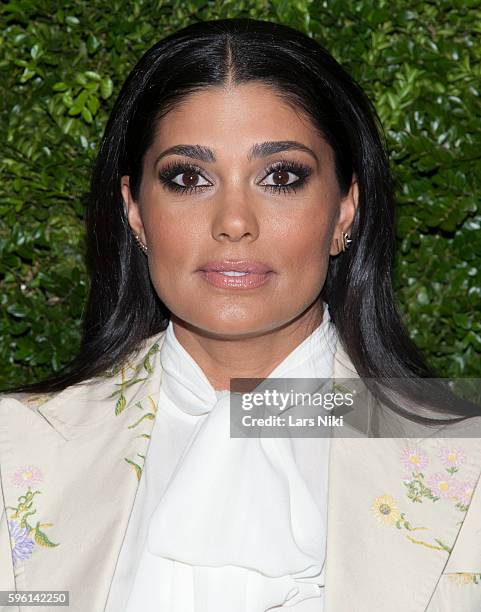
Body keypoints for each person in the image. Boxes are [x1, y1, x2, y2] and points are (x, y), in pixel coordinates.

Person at [1, 17, 480, 612]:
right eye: (188, 177)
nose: (234, 221)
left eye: (281, 177)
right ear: (135, 211)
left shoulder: (468, 472)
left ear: (345, 210)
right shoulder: (13, 451)